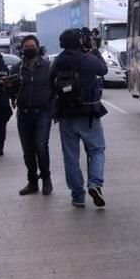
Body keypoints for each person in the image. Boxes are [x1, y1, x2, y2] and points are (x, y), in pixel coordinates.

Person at [48, 29, 108, 208]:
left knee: (71, 157)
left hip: (66, 115)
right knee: (97, 150)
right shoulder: (88, 59)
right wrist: (94, 50)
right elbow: (103, 70)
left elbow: (50, 83)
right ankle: (95, 184)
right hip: (88, 114)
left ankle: (77, 196)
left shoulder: (58, 61)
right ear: (80, 41)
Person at [8, 34, 54, 196]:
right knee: (27, 150)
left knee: (41, 146)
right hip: (23, 113)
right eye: (26, 47)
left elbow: (55, 89)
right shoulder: (17, 68)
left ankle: (46, 179)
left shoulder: (48, 66)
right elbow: (11, 91)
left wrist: (53, 107)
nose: (29, 49)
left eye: (31, 46)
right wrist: (8, 87)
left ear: (38, 47)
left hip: (43, 112)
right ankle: (32, 181)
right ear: (21, 49)